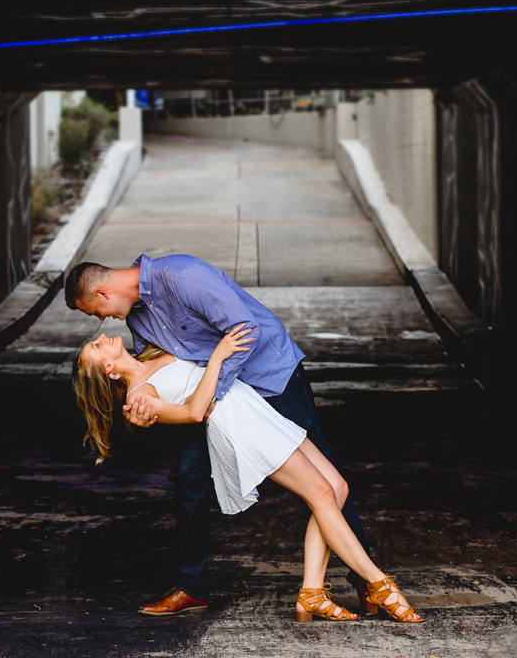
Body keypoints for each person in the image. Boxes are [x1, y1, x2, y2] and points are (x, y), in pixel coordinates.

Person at [63, 254, 399, 617]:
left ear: (103, 292)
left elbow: (246, 329)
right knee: (189, 478)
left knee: (327, 483)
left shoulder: (183, 276)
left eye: (94, 311)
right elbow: (155, 369)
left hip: (271, 379)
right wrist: (146, 409)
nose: (101, 320)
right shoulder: (138, 316)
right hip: (217, 404)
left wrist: (210, 396)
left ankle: (367, 584)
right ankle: (190, 587)